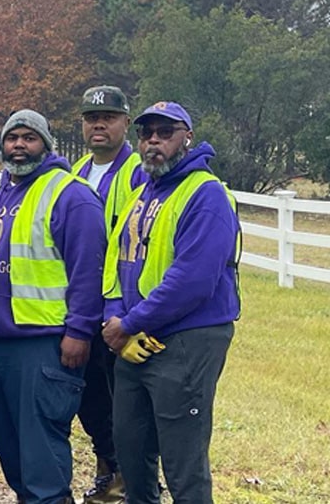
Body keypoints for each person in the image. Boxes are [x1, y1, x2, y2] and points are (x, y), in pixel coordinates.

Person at [0, 109, 106, 504]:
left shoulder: (71, 196)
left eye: (30, 137)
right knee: (11, 448)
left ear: (46, 144)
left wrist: (79, 331)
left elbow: (88, 271)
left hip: (43, 344)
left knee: (41, 454)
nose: (20, 146)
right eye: (12, 138)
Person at [101, 102, 240, 504]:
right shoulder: (141, 193)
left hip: (186, 341)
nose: (154, 141)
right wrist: (114, 316)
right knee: (130, 450)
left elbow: (191, 281)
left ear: (187, 137)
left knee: (183, 464)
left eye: (165, 132)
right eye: (146, 134)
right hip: (132, 341)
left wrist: (129, 322)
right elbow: (115, 259)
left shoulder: (206, 195)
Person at [71, 85, 147, 503]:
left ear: (125, 123)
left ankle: (132, 481)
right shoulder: (77, 172)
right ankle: (109, 472)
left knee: (126, 405)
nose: (99, 124)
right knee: (91, 398)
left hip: (122, 310)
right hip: (84, 306)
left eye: (109, 117)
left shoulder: (138, 170)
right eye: (90, 118)